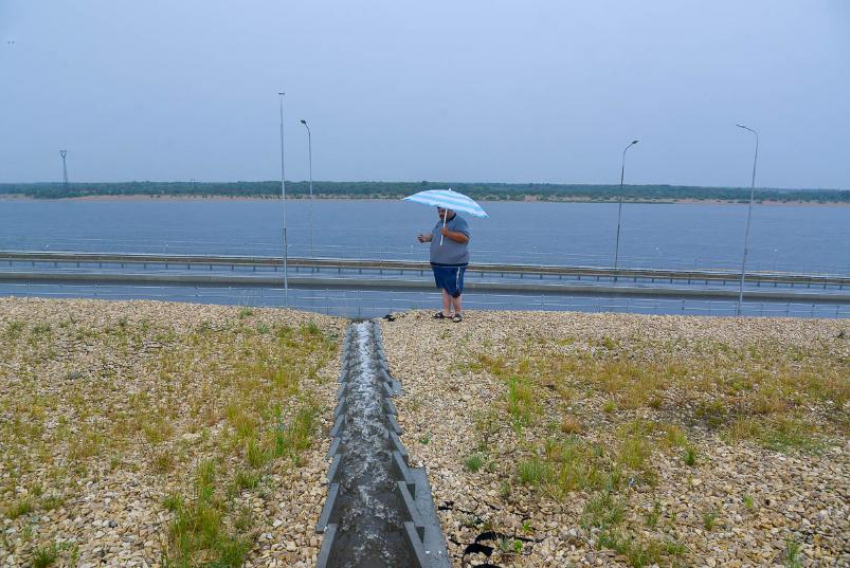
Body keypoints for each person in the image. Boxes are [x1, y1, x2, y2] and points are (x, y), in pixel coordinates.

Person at [417, 206, 470, 322]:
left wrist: (448, 233)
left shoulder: (460, 222)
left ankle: (458, 313)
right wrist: (425, 238)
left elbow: (465, 238)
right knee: (445, 287)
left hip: (455, 263)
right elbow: (435, 234)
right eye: (439, 211)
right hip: (439, 263)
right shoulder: (440, 223)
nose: (441, 213)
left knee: (455, 288)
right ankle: (446, 312)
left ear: (451, 209)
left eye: (443, 211)